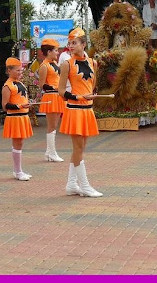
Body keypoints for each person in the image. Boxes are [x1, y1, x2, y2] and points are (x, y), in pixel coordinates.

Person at [57, 27, 102, 197]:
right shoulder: (67, 64)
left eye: (74, 43)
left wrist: (91, 95)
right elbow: (61, 91)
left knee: (81, 148)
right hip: (75, 110)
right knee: (78, 148)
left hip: (87, 109)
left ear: (83, 44)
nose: (70, 46)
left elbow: (92, 85)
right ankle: (85, 186)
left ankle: (71, 185)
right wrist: (77, 96)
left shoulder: (93, 63)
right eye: (69, 43)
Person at [2, 57, 34, 181]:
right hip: (15, 118)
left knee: (20, 143)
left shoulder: (20, 83)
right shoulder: (7, 86)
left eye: (21, 70)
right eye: (17, 70)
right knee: (17, 143)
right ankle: (17, 171)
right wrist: (20, 106)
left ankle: (18, 170)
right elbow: (5, 106)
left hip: (22, 116)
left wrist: (27, 104)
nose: (20, 73)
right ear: (9, 71)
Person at [38, 38, 65, 162]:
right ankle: (51, 152)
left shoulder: (54, 64)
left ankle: (49, 152)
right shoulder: (44, 66)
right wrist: (54, 87)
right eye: (55, 50)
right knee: (52, 126)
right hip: (51, 96)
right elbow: (42, 84)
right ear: (49, 52)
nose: (58, 53)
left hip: (57, 96)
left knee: (54, 125)